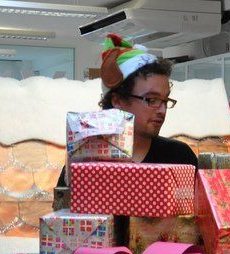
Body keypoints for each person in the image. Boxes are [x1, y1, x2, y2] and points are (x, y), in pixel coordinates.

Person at [57, 34, 196, 187]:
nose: (162, 110)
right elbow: (64, 209)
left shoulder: (179, 157)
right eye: (151, 100)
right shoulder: (87, 160)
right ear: (118, 100)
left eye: (165, 101)